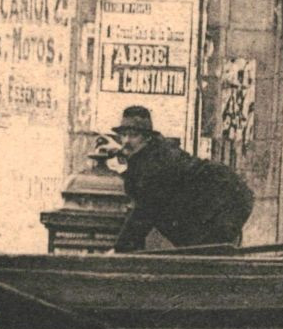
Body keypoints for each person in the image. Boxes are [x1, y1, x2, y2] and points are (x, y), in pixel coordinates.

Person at [103, 105, 255, 253]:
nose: (126, 141)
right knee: (195, 250)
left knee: (203, 256)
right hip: (216, 203)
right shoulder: (151, 152)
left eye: (133, 135)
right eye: (124, 135)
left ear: (147, 138)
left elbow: (144, 211)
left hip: (228, 202)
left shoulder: (157, 162)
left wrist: (119, 250)